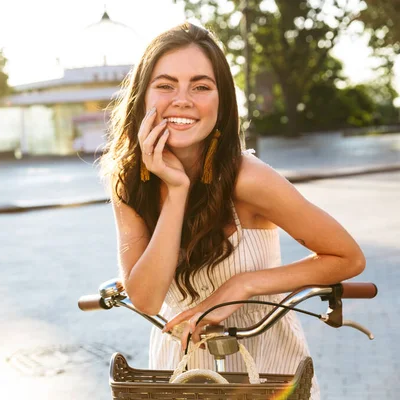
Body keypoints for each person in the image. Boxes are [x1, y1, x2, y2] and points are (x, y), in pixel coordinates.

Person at [99, 22, 366, 400]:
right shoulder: (129, 183)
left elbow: (347, 256)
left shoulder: (249, 178)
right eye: (165, 84)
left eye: (201, 86)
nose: (183, 99)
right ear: (142, 97)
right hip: (180, 376)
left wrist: (241, 286)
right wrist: (176, 192)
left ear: (221, 100)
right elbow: (145, 298)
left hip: (269, 373)